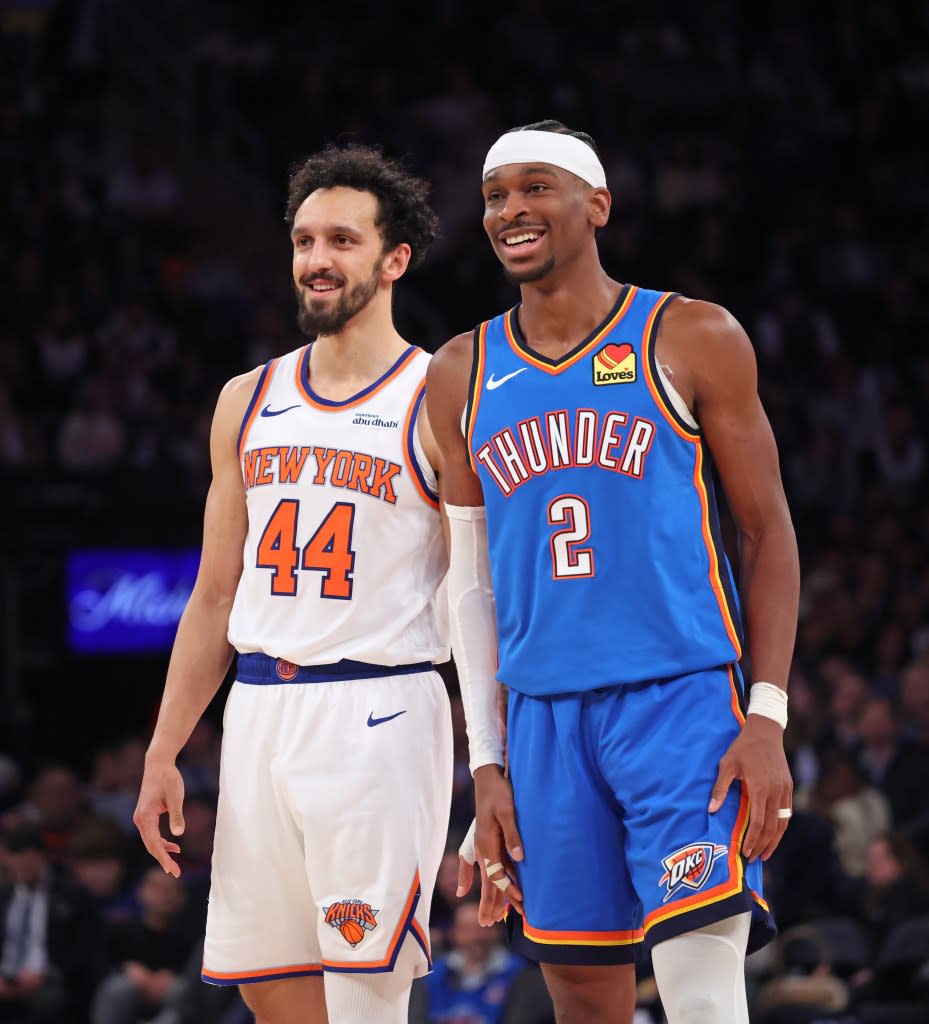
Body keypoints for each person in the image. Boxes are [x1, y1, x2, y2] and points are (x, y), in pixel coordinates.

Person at [426, 121, 800, 1024]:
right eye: (494, 195)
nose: (510, 210)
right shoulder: (459, 370)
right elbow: (468, 583)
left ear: (596, 204)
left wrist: (766, 714)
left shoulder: (692, 334)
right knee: (586, 1006)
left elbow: (765, 533)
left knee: (702, 996)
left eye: (535, 187)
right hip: (543, 723)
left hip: (681, 705)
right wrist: (486, 763)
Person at [133, 144, 453, 1024]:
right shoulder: (247, 396)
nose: (317, 259)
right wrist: (164, 750)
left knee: (364, 994)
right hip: (259, 712)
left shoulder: (440, 395)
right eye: (305, 240)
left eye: (343, 240)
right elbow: (213, 594)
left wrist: (498, 763)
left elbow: (485, 595)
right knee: (270, 991)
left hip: (379, 708)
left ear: (394, 259)